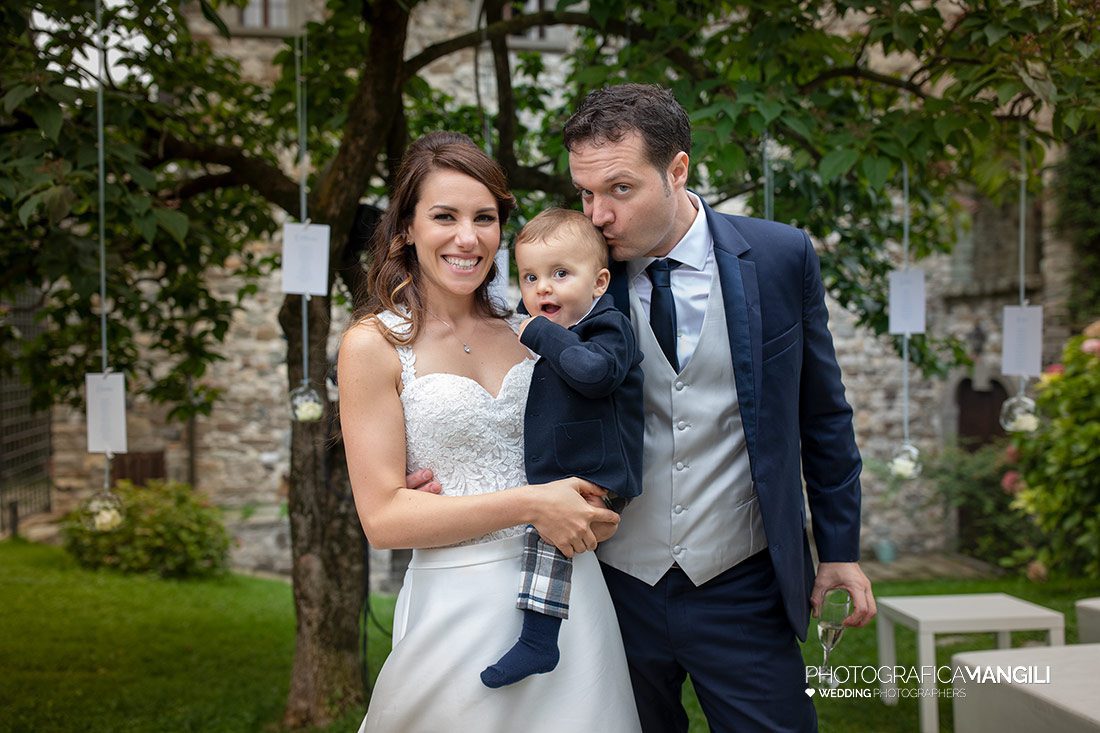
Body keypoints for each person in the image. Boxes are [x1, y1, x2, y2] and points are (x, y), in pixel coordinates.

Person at [563, 83, 878, 731]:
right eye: (585, 193)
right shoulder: (573, 276)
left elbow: (823, 413)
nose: (597, 215)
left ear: (677, 169)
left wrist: (840, 546)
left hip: (744, 581)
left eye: (620, 189)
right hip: (616, 582)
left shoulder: (780, 257)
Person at [338, 131, 641, 733]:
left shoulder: (537, 328)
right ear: (405, 229)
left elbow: (604, 426)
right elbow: (383, 521)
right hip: (456, 601)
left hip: (569, 593)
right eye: (444, 217)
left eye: (485, 218)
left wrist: (602, 500)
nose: (467, 238)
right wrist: (533, 503)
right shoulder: (374, 345)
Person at [480, 208, 644, 689]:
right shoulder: (560, 335)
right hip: (567, 465)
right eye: (530, 277)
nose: (542, 288)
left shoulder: (608, 326)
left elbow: (593, 374)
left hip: (601, 468)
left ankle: (538, 641)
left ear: (599, 282)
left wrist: (540, 333)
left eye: (560, 274)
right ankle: (539, 637)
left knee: (549, 539)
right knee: (546, 534)